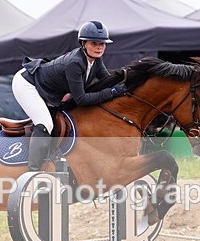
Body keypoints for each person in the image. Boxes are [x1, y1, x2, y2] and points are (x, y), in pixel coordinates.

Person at [11, 20, 127, 170]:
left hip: (46, 89)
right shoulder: (75, 63)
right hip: (27, 84)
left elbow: (107, 80)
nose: (99, 47)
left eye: (102, 44)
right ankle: (33, 171)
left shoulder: (96, 60)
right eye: (94, 43)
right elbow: (81, 99)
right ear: (83, 43)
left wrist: (127, 82)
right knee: (45, 123)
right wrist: (111, 92)